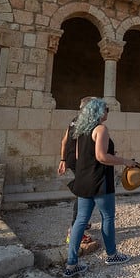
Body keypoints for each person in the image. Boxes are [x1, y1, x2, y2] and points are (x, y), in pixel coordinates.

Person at [64, 97, 138, 278]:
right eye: (105, 109)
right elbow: (101, 157)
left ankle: (71, 264)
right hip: (100, 180)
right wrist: (125, 162)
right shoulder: (101, 129)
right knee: (108, 217)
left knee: (80, 221)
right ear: (98, 111)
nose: (107, 112)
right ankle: (112, 255)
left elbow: (81, 155)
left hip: (83, 179)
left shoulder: (81, 130)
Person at [58, 96, 98, 254]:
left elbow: (64, 141)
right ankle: (75, 230)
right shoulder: (88, 122)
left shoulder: (75, 120)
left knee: (89, 193)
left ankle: (82, 223)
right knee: (86, 194)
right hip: (80, 162)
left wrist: (62, 159)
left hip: (72, 160)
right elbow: (83, 146)